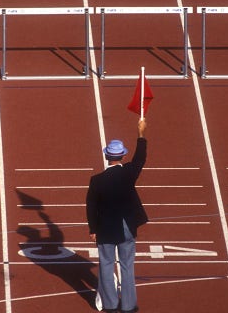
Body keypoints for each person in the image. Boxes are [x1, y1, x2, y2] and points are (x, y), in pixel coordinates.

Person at [86, 118, 148, 313]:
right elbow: (140, 158)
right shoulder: (129, 173)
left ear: (107, 157)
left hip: (105, 229)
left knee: (106, 265)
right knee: (127, 265)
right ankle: (129, 305)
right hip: (127, 226)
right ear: (122, 156)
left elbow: (90, 205)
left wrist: (93, 229)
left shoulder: (97, 180)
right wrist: (141, 133)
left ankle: (111, 305)